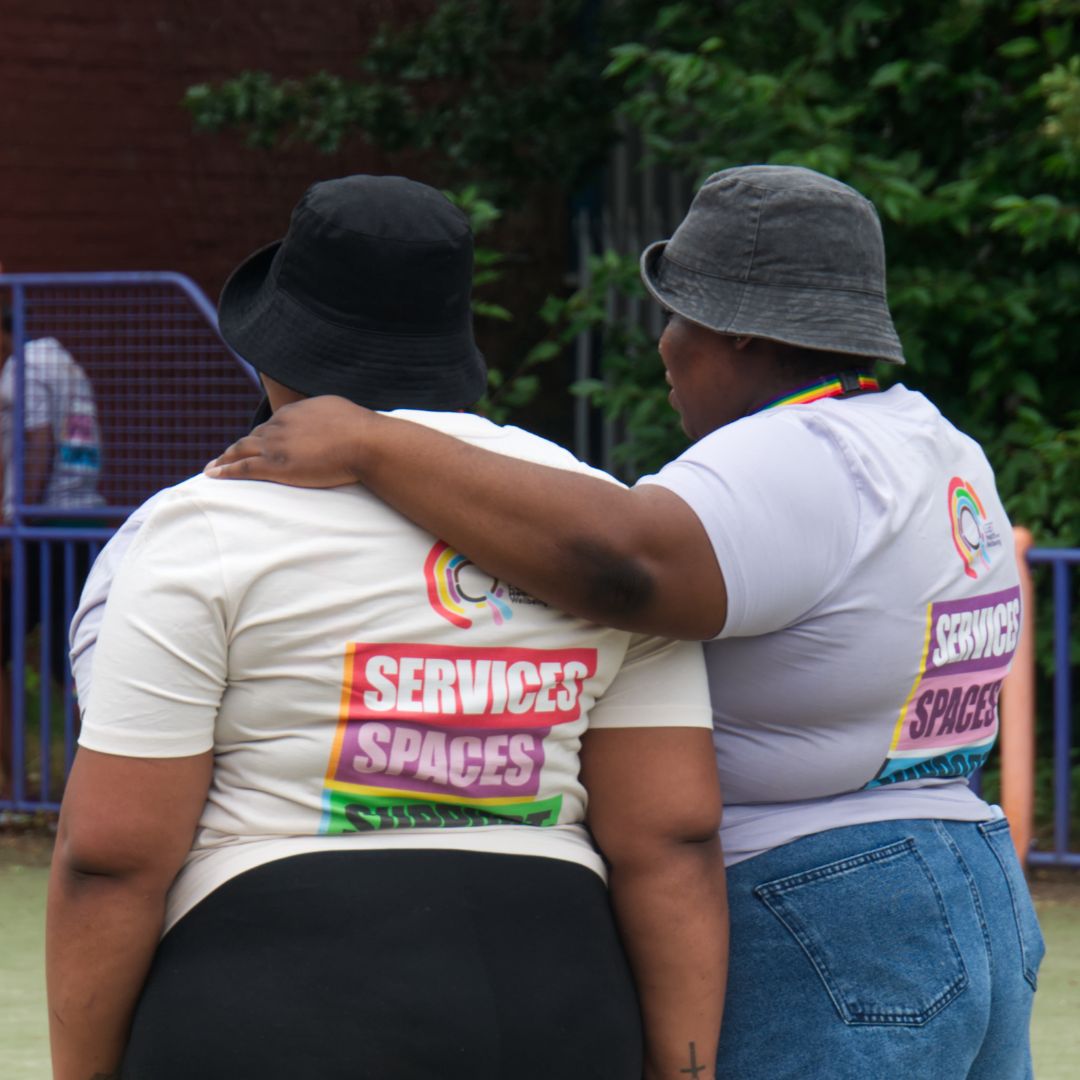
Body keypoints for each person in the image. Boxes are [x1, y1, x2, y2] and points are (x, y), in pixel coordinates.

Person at [207, 165, 1045, 1079]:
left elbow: (623, 567)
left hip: (827, 898)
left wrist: (371, 443)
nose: (663, 347)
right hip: (967, 879)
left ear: (737, 330)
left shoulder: (802, 453)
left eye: (677, 318)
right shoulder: (930, 441)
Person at [48, 174, 726, 1080]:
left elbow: (112, 857)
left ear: (273, 356)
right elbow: (671, 837)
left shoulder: (203, 524)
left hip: (272, 999)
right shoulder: (599, 525)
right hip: (558, 995)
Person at [0, 308, 104, 798]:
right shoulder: (63, 362)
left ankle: (20, 789)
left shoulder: (25, 366)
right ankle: (91, 785)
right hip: (81, 522)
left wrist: (15, 518)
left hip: (42, 528)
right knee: (70, 656)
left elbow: (38, 439)